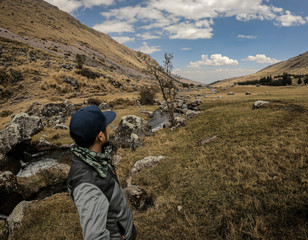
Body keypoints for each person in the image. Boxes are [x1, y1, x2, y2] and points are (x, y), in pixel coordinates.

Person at [67, 105, 137, 240]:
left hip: (123, 230)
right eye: (106, 126)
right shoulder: (87, 186)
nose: (109, 129)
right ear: (100, 136)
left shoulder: (94, 158)